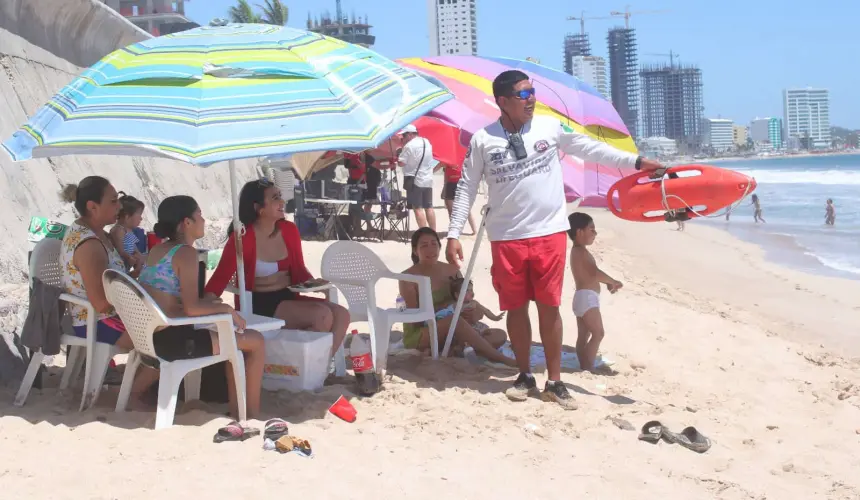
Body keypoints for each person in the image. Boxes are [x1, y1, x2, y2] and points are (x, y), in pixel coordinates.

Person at [445, 70, 664, 409]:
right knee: (515, 309)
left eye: (532, 91)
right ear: (502, 101)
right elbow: (466, 187)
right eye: (523, 94)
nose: (531, 98)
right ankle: (524, 375)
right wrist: (454, 232)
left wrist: (635, 162)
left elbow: (591, 149)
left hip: (549, 234)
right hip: (507, 238)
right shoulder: (483, 140)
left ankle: (555, 380)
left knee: (549, 307)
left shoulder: (549, 127)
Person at [140, 196, 266, 419]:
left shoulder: (159, 251)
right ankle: (251, 414)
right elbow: (192, 308)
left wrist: (213, 305)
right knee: (254, 340)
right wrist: (226, 309)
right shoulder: (186, 254)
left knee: (234, 338)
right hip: (175, 342)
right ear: (186, 222)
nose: (204, 220)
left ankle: (240, 409)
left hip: (151, 337)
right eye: (199, 215)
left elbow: (179, 301)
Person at [205, 179, 349, 359]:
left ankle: (321, 365)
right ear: (259, 208)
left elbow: (299, 269)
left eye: (280, 196)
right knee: (322, 316)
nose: (282, 202)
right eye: (275, 198)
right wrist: (207, 303)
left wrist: (315, 284)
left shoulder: (289, 230)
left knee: (342, 314)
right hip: (260, 304)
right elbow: (219, 279)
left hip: (288, 296)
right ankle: (308, 364)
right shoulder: (242, 237)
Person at [59, 177, 153, 406]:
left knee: (167, 318)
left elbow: (111, 284)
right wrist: (141, 302)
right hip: (98, 322)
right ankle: (137, 391)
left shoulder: (99, 234)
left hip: (106, 317)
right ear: (93, 207)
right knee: (161, 332)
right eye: (113, 201)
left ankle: (143, 383)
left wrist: (136, 281)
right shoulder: (89, 244)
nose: (119, 207)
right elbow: (101, 302)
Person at [399, 228, 516, 366]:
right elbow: (414, 319)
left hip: (455, 328)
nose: (430, 249)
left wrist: (473, 314)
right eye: (424, 245)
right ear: (415, 250)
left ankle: (457, 350)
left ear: (439, 246)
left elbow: (466, 299)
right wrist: (446, 310)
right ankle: (501, 359)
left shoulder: (452, 271)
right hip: (422, 332)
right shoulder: (408, 278)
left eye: (434, 244)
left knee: (499, 334)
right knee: (454, 321)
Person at [568, 212, 622, 372]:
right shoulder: (581, 252)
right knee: (598, 333)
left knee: (583, 336)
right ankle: (588, 366)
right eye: (592, 230)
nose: (595, 233)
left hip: (581, 297)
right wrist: (613, 281)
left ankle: (583, 363)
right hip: (587, 298)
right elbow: (595, 273)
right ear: (579, 232)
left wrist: (606, 283)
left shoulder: (577, 252)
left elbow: (590, 275)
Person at [397, 124, 436, 230]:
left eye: (404, 136)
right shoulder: (426, 142)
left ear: (409, 135)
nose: (403, 138)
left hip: (415, 180)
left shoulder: (409, 146)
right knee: (429, 207)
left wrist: (400, 149)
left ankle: (424, 233)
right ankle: (433, 232)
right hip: (428, 179)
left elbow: (401, 163)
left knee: (417, 208)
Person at [109, 192, 146, 274]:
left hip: (127, 267)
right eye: (139, 215)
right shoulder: (119, 230)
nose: (141, 218)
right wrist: (129, 257)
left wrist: (139, 256)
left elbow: (134, 248)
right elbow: (119, 250)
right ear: (127, 217)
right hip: (119, 270)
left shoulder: (130, 231)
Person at [440, 161, 478, 235]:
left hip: (454, 184)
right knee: (463, 210)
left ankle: (457, 230)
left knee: (455, 210)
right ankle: (472, 230)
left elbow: (443, 175)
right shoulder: (462, 158)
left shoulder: (447, 159)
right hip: (457, 184)